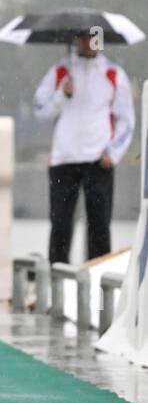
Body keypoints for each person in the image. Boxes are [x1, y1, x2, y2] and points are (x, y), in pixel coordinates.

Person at [33, 31, 135, 263]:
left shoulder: (113, 73)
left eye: (93, 37)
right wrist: (62, 94)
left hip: (98, 160)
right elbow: (40, 110)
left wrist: (114, 152)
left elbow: (126, 120)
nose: (89, 43)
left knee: (99, 226)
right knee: (60, 225)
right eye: (83, 37)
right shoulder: (60, 72)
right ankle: (57, 284)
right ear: (74, 40)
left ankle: (98, 284)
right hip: (64, 159)